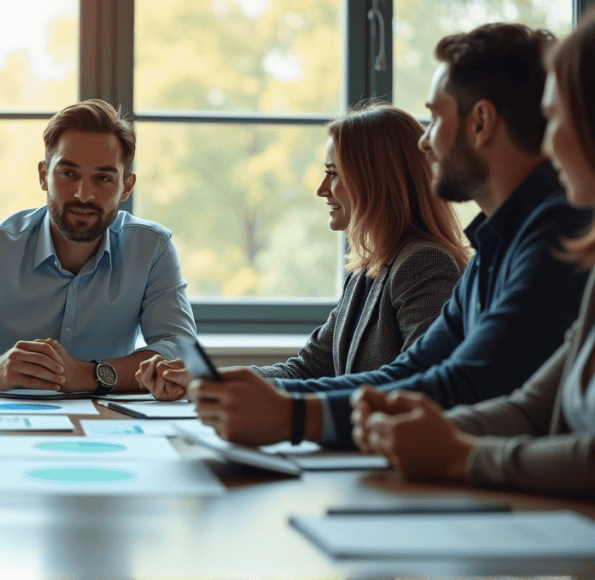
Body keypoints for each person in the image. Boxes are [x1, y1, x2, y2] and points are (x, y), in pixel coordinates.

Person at [186, 22, 591, 450]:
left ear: (481, 123)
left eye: (434, 118)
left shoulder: (558, 235)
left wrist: (296, 416)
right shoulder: (496, 244)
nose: (424, 142)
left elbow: (472, 383)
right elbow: (414, 370)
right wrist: (262, 399)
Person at [351, 11, 595, 493]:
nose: (546, 144)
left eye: (554, 119)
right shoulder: (517, 246)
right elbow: (532, 407)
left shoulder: (553, 233)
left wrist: (461, 455)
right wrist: (428, 434)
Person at [137, 103, 470, 400]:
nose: (322, 190)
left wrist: (276, 406)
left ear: (375, 181)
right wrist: (206, 379)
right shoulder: (368, 268)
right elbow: (308, 368)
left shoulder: (424, 264)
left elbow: (416, 388)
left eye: (333, 174)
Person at [0, 99, 198, 394]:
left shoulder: (152, 249)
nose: (84, 194)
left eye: (103, 178)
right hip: (2, 424)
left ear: (127, 187)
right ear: (44, 175)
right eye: (68, 174)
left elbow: (183, 352)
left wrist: (91, 374)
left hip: (106, 426)